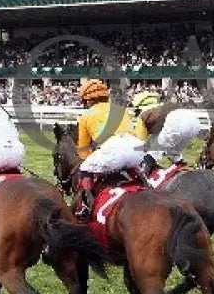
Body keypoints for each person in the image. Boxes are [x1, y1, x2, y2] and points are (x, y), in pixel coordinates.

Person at [73, 79, 143, 216]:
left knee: (84, 168)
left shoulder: (85, 116)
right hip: (135, 147)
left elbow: (83, 150)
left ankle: (85, 206)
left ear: (86, 100)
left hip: (113, 148)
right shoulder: (120, 110)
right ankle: (150, 186)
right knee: (136, 168)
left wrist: (91, 160)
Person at [129, 90, 202, 172]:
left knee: (156, 149)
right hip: (195, 123)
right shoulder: (160, 108)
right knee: (174, 150)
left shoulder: (144, 114)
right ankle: (179, 164)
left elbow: (140, 140)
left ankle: (144, 168)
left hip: (177, 120)